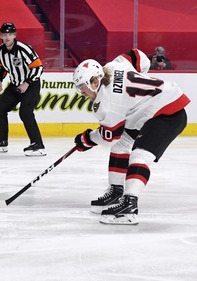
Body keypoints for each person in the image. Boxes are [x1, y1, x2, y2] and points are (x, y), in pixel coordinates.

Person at [72, 48, 190, 225]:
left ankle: (130, 206)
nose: (82, 93)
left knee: (139, 154)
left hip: (167, 113)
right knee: (121, 146)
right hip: (147, 112)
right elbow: (138, 56)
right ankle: (116, 192)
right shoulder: (114, 65)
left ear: (94, 82)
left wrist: (87, 139)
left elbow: (108, 137)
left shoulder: (106, 103)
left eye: (82, 87)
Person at [0, 22, 46, 156]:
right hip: (15, 85)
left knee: (25, 113)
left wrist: (27, 83)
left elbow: (38, 67)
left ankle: (38, 144)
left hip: (31, 85)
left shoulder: (24, 49)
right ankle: (2, 141)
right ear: (1, 35)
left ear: (15, 35)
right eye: (5, 34)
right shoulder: (1, 51)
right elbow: (1, 66)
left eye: (10, 34)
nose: (7, 37)